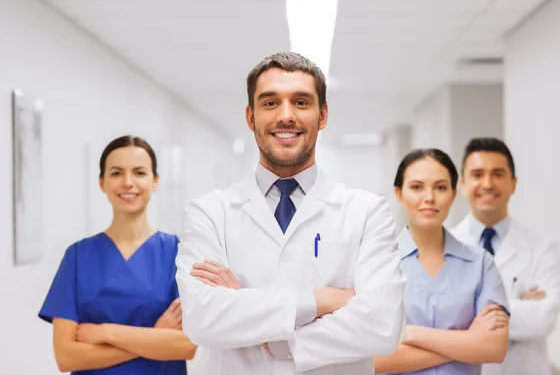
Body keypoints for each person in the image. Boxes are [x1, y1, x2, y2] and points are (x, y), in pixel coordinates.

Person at [175, 52, 407, 375]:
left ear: (322, 115)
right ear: (250, 116)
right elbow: (202, 319)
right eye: (270, 103)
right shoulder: (209, 213)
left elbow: (383, 326)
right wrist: (322, 300)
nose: (286, 116)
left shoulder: (367, 212)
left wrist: (272, 333)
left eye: (301, 102)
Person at [38, 135, 196, 374]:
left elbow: (186, 346)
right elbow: (66, 357)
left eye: (139, 173)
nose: (128, 182)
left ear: (155, 181)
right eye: (116, 173)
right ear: (102, 183)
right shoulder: (78, 256)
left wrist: (105, 333)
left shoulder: (179, 253)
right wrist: (154, 337)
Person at [375, 148, 509, 375]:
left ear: (453, 194)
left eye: (440, 187)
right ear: (398, 194)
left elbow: (494, 348)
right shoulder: (378, 263)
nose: (429, 197)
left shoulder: (481, 264)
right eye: (417, 187)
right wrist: (468, 341)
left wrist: (409, 334)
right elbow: (375, 360)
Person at [451, 138, 560, 375]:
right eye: (478, 174)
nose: (487, 183)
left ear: (513, 183)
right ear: (462, 184)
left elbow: (544, 318)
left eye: (498, 174)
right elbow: (438, 320)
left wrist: (468, 312)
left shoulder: (542, 247)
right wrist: (518, 307)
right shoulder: (444, 246)